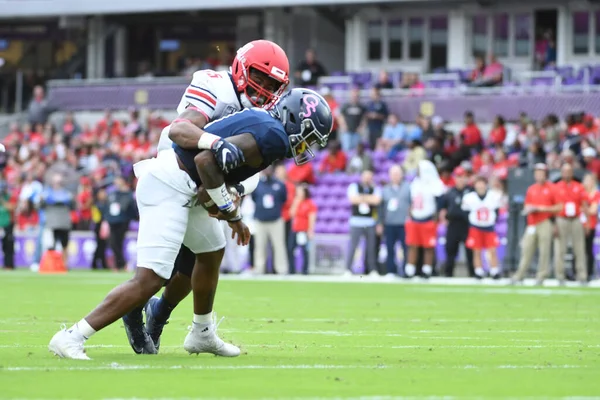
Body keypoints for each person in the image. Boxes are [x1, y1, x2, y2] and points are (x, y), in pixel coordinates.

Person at [48, 88, 333, 360]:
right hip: (169, 184)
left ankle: (202, 332)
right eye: (308, 136)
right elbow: (206, 161)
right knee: (150, 279)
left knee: (211, 251)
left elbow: (209, 176)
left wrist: (224, 205)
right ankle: (73, 336)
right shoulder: (274, 135)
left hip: (185, 184)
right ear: (294, 119)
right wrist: (231, 214)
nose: (306, 145)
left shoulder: (266, 126)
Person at [124, 39, 291, 354]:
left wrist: (234, 188)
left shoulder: (261, 113)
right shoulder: (214, 84)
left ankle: (158, 314)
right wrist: (216, 149)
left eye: (272, 84)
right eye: (261, 77)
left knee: (199, 260)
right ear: (241, 68)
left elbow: (251, 168)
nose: (264, 88)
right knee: (167, 264)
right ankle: (137, 309)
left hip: (210, 179)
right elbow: (181, 130)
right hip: (177, 172)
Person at [511, 164, 559, 285]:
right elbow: (527, 204)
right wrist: (529, 209)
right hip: (532, 223)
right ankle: (519, 275)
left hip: (545, 221)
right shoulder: (531, 188)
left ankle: (541, 276)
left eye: (541, 173)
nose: (539, 175)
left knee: (544, 250)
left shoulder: (552, 188)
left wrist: (541, 209)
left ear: (546, 174)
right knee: (526, 248)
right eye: (537, 173)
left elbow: (559, 207)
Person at [405, 160, 444, 278]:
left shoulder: (434, 183)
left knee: (428, 246)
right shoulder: (415, 183)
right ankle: (410, 270)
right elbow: (411, 200)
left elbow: (439, 201)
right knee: (413, 245)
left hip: (428, 219)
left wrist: (436, 217)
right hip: (415, 218)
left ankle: (427, 269)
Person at [553, 163, 588, 285]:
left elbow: (584, 205)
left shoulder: (579, 186)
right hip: (561, 218)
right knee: (560, 249)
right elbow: (553, 207)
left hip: (576, 218)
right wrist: (554, 224)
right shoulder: (556, 187)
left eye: (569, 171)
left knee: (579, 248)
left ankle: (582, 275)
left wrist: (585, 222)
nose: (567, 174)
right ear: (561, 173)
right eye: (564, 171)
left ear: (572, 173)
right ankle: (560, 276)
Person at [462, 176, 501, 279]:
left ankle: (494, 270)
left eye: (482, 183)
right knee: (477, 250)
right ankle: (478, 271)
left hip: (489, 227)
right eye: (478, 183)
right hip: (476, 226)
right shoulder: (469, 197)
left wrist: (492, 221)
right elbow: (465, 212)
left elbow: (497, 211)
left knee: (492, 250)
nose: (480, 185)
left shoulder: (493, 196)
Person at [251, 166, 289, 275]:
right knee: (260, 247)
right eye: (265, 169)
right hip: (260, 220)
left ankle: (282, 270)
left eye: (269, 169)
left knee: (279, 246)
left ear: (272, 171)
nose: (267, 171)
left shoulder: (280, 184)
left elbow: (283, 199)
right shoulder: (257, 184)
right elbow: (254, 198)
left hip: (276, 220)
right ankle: (259, 269)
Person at [439, 167, 475, 277]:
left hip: (467, 224)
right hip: (453, 224)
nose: (460, 180)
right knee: (450, 249)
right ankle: (448, 274)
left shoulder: (471, 192)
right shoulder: (450, 192)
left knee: (470, 250)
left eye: (463, 177)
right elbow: (443, 208)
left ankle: (473, 274)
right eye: (458, 177)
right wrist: (443, 219)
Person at [346, 169, 381, 276]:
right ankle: (348, 269)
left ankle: (372, 269)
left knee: (371, 247)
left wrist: (361, 198)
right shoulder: (354, 186)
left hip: (370, 221)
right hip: (356, 221)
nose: (367, 179)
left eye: (369, 177)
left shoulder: (375, 188)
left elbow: (377, 200)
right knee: (353, 246)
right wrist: (368, 198)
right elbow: (353, 200)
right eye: (366, 176)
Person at [377, 165, 410, 276]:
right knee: (390, 248)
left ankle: (406, 271)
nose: (396, 176)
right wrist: (380, 223)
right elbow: (380, 209)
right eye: (393, 174)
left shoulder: (408, 188)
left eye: (397, 174)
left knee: (406, 248)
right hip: (389, 224)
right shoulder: (385, 190)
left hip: (404, 224)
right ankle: (391, 271)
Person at [105, 177, 137, 271]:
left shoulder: (128, 194)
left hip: (122, 221)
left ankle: (120, 264)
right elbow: (108, 206)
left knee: (118, 242)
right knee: (113, 243)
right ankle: (120, 263)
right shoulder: (113, 194)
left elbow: (130, 208)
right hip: (112, 220)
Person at [288, 185, 317, 274]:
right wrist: (296, 203)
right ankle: (291, 270)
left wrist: (310, 230)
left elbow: (312, 218)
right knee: (290, 249)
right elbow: (291, 214)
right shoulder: (296, 202)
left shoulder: (309, 203)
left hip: (303, 230)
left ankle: (305, 270)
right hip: (295, 230)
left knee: (304, 251)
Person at [583, 173, 599, 281]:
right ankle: (577, 273)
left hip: (592, 224)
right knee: (579, 249)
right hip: (580, 224)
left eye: (591, 180)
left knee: (589, 250)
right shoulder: (581, 192)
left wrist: (584, 207)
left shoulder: (596, 193)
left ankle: (589, 272)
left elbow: (593, 211)